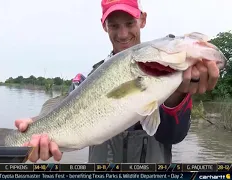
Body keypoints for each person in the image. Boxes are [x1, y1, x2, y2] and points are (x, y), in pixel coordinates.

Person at [15, 0, 220, 163]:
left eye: (129, 23)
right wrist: (34, 129)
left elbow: (172, 136)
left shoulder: (173, 78)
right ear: (104, 26)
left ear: (143, 19)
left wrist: (178, 95)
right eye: (114, 25)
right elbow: (63, 114)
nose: (122, 34)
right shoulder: (85, 77)